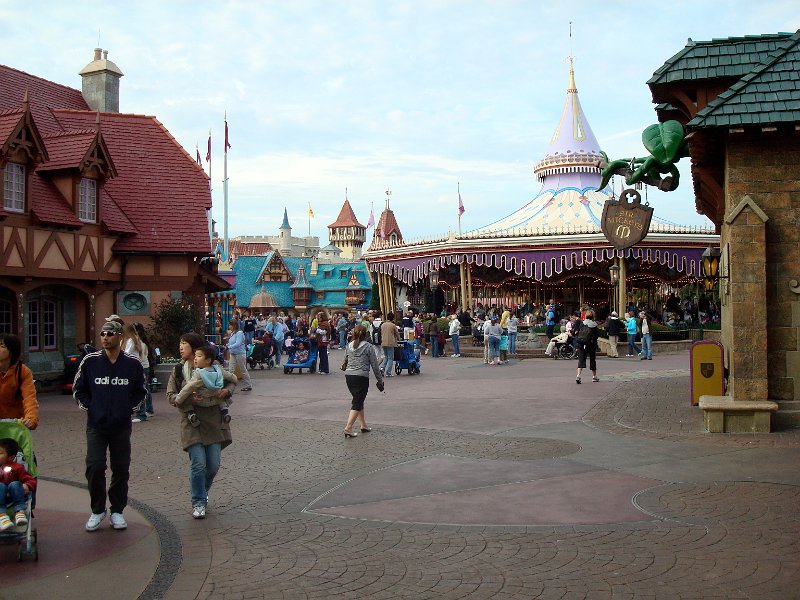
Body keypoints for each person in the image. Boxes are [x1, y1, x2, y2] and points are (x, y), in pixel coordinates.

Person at [74, 318, 146, 531]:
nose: (105, 338)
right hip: (96, 425)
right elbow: (79, 389)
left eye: (110, 334)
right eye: (103, 334)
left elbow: (140, 391)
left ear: (120, 337)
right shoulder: (90, 361)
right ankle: (97, 509)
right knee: (95, 466)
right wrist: (91, 407)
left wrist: (128, 408)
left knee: (121, 468)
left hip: (121, 426)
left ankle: (117, 510)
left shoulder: (132, 364)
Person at [167, 332, 235, 519]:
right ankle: (198, 501)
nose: (181, 347)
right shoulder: (179, 370)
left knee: (212, 465)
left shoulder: (213, 367)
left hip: (213, 419)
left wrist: (225, 391)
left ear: (196, 347)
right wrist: (188, 399)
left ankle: (202, 492)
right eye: (180, 343)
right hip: (191, 420)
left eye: (184, 343)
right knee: (198, 463)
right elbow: (171, 395)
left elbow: (231, 382)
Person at [175, 346, 236, 427]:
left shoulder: (199, 374)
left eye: (199, 356)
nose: (195, 358)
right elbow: (233, 377)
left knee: (188, 396)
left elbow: (188, 388)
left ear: (208, 360)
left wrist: (178, 400)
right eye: (195, 356)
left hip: (202, 401)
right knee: (221, 398)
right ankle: (224, 412)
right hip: (217, 400)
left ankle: (192, 414)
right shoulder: (218, 370)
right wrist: (233, 382)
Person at [342, 325, 384, 438]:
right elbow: (375, 366)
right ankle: (348, 428)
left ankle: (363, 425)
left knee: (358, 399)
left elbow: (344, 361)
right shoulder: (368, 347)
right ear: (366, 335)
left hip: (349, 376)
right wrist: (380, 380)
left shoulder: (349, 345)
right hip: (361, 376)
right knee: (357, 401)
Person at [0, 333, 38, 430]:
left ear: (12, 351)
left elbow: (29, 398)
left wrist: (31, 419)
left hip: (15, 426)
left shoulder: (23, 372)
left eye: (2, 346)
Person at [0, 437, 36, 530]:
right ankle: (2, 515)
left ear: (11, 457)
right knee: (1, 486)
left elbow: (30, 480)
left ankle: (19, 511)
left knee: (15, 484)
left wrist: (27, 485)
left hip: (14, 495)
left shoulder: (17, 467)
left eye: (0, 453)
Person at [124, 323, 152, 424]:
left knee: (138, 390)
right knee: (142, 389)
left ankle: (141, 413)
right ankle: (143, 411)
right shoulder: (138, 340)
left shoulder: (131, 341)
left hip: (136, 368)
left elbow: (126, 354)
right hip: (140, 367)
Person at [226, 319, 252, 391]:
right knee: (230, 369)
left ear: (234, 325)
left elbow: (238, 343)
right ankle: (228, 385)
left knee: (243, 370)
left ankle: (248, 385)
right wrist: (227, 345)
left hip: (240, 354)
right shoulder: (233, 333)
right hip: (233, 353)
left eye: (230, 325)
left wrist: (229, 347)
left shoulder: (239, 333)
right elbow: (231, 342)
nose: (229, 327)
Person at [575, 309, 600, 384]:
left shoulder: (582, 323)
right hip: (591, 344)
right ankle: (594, 376)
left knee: (581, 359)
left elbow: (577, 333)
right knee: (592, 359)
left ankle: (578, 376)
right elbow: (597, 335)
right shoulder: (594, 325)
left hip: (582, 344)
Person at [380, 312, 400, 376]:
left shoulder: (383, 325)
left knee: (386, 357)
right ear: (393, 318)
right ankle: (388, 372)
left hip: (383, 342)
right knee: (390, 358)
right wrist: (399, 339)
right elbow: (397, 334)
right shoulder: (393, 325)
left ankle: (382, 368)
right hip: (390, 343)